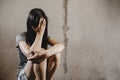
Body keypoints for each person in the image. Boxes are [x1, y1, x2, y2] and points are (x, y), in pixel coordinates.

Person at [16, 8, 65, 80]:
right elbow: (31, 55)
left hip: (40, 72)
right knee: (39, 54)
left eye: (43, 24)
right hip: (24, 75)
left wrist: (46, 53)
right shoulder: (21, 37)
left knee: (55, 54)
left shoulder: (45, 37)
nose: (41, 27)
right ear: (32, 25)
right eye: (40, 24)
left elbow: (61, 46)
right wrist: (40, 34)